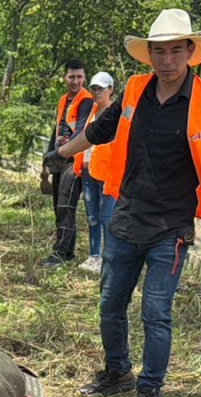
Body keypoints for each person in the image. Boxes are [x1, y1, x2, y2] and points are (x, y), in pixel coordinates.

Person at [45, 9, 201, 397]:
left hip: (170, 227)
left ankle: (150, 390)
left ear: (190, 51)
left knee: (156, 312)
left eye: (175, 51)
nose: (167, 60)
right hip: (126, 217)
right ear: (148, 55)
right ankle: (118, 372)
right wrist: (62, 154)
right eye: (159, 52)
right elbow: (101, 130)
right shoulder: (135, 90)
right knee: (110, 305)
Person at [40, 59, 93, 269]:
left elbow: (81, 131)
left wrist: (59, 153)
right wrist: (48, 156)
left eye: (80, 77)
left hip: (75, 160)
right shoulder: (64, 100)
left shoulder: (86, 100)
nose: (76, 81)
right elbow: (57, 129)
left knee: (65, 205)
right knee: (58, 205)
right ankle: (66, 250)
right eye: (72, 77)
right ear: (65, 77)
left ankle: (61, 254)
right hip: (59, 159)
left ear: (84, 77)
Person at [78, 72, 116, 274]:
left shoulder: (115, 115)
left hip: (109, 175)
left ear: (111, 90)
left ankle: (109, 259)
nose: (97, 92)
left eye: (101, 88)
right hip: (88, 172)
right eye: (94, 88)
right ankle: (94, 255)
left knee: (107, 217)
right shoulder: (91, 113)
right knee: (92, 216)